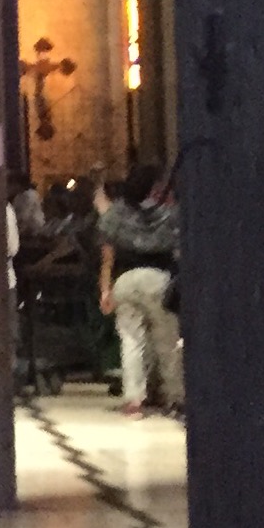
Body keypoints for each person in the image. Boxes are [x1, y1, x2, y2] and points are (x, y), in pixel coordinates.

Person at [97, 163, 183, 417]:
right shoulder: (169, 215)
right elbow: (179, 251)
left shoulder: (116, 214)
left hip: (124, 281)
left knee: (131, 341)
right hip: (158, 279)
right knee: (166, 342)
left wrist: (105, 290)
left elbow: (107, 257)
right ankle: (174, 397)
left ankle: (133, 400)